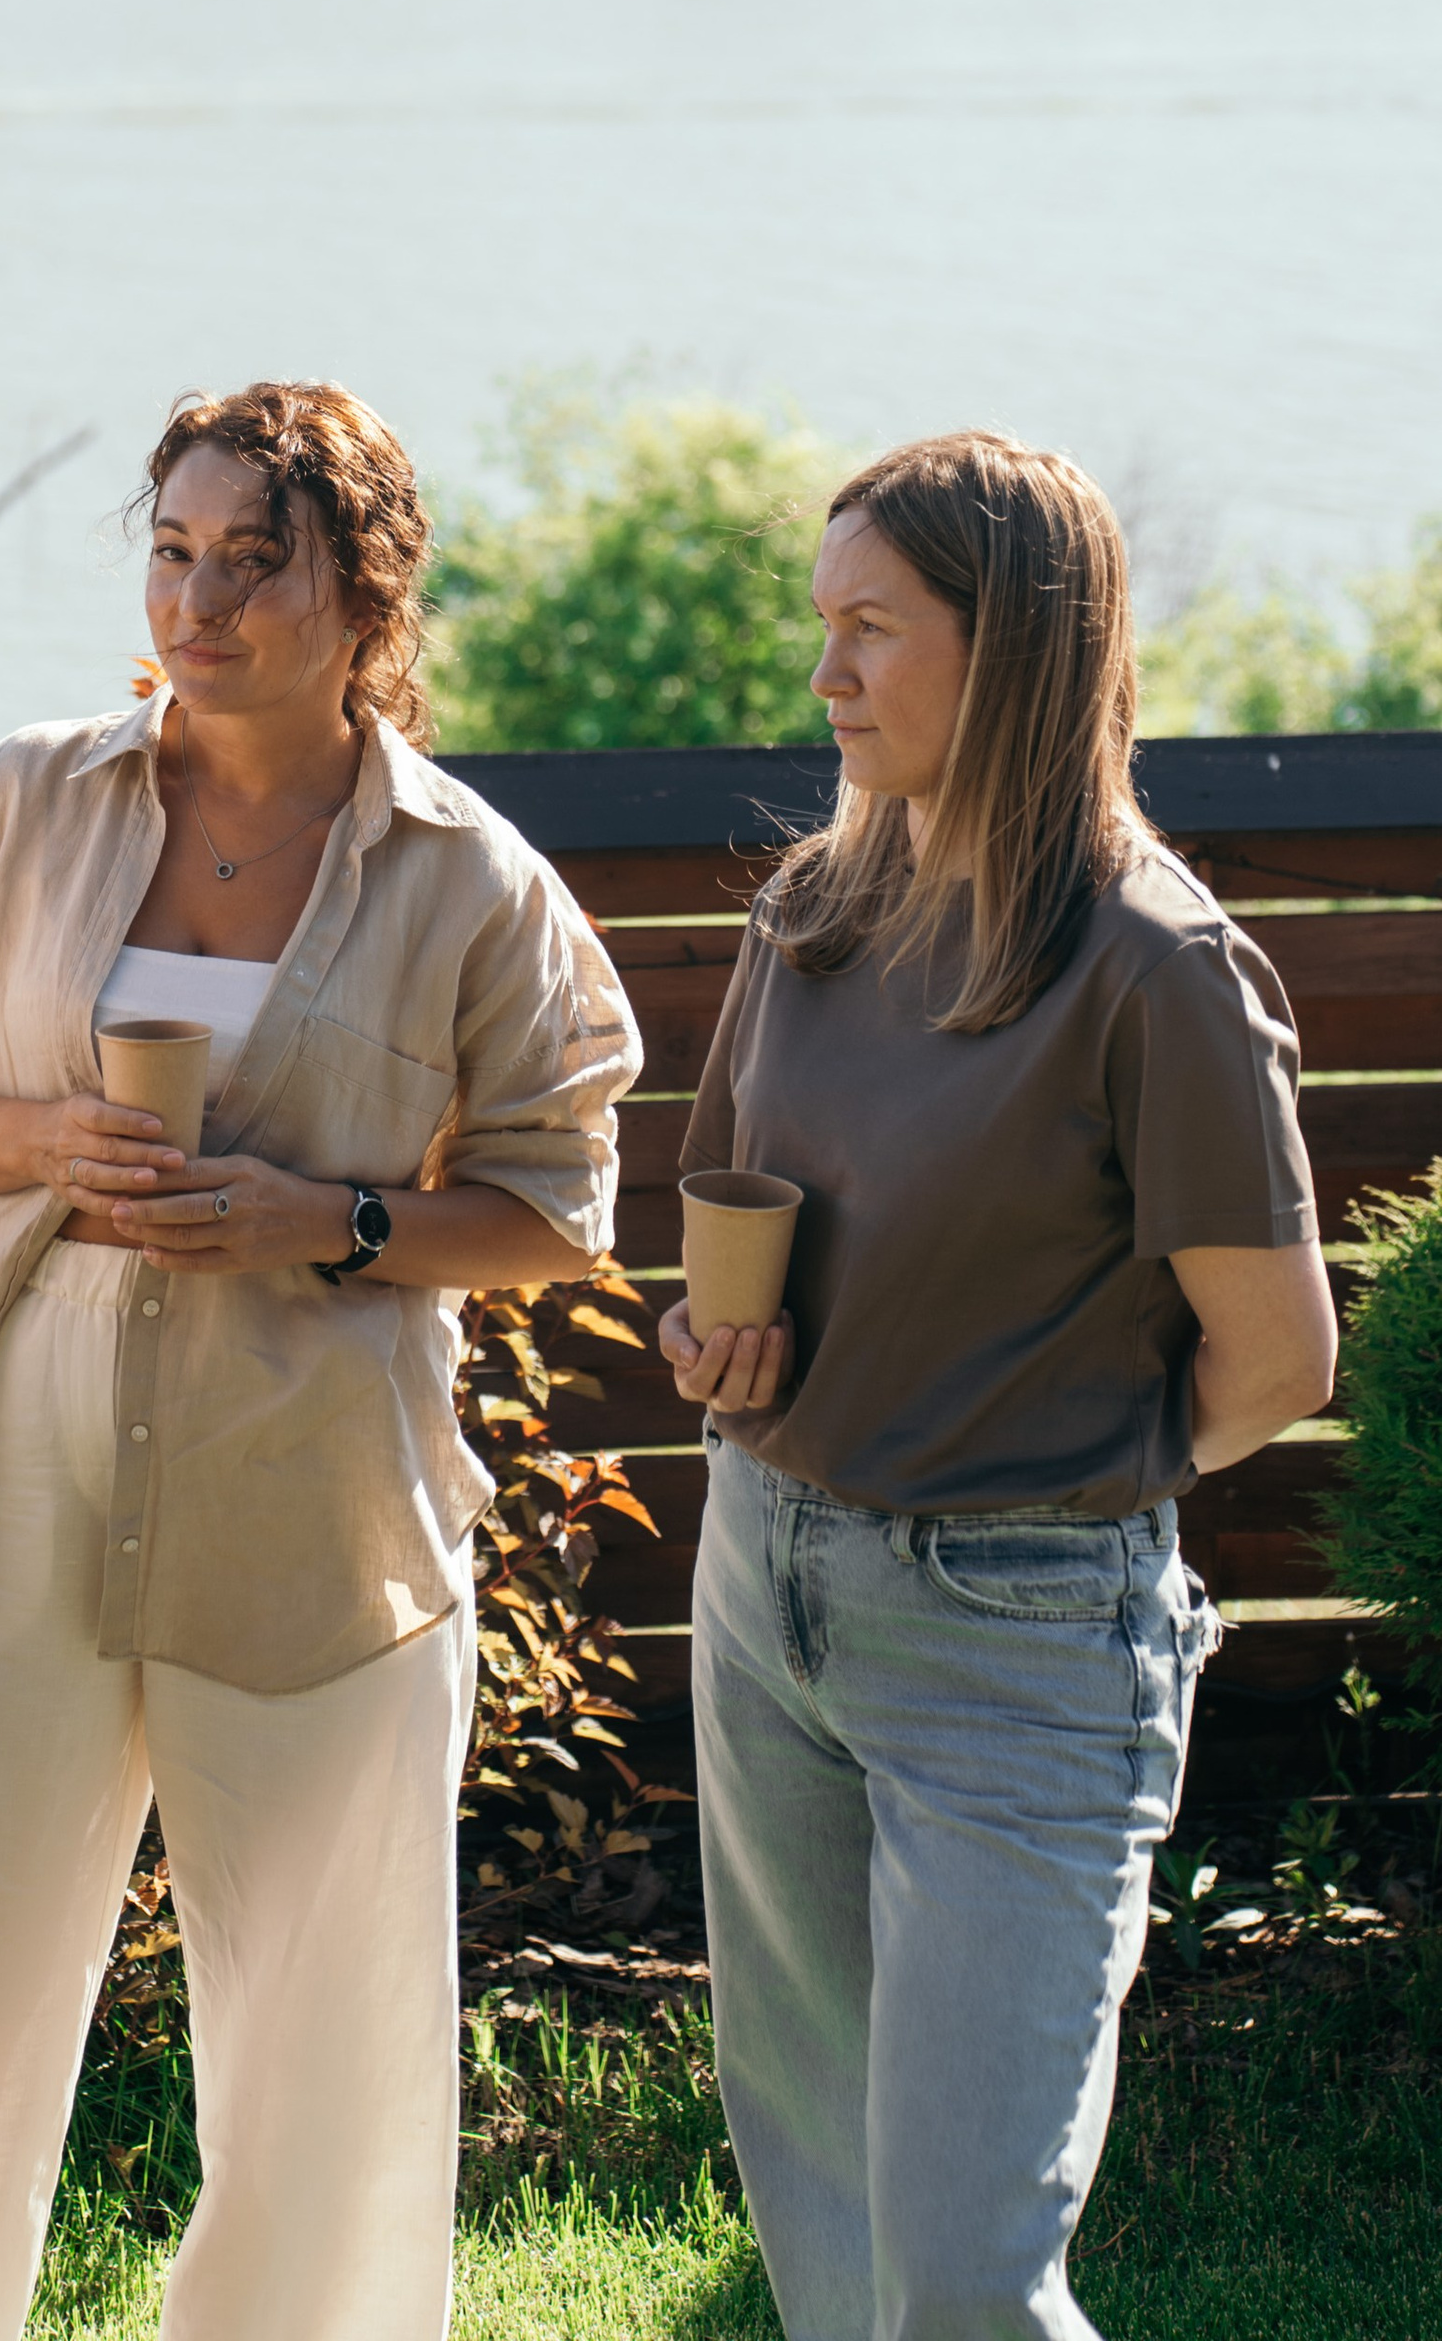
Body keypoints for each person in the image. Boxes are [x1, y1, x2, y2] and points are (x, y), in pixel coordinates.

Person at [0, 380, 640, 2341]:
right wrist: (40, 1143)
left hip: (318, 1512)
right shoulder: (21, 803)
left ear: (366, 598)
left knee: (328, 2055)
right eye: (172, 551)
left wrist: (321, 1220)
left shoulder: (467, 876)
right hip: (15, 1492)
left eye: (255, 560)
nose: (199, 601)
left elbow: (553, 1205)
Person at [664, 430, 1339, 2341]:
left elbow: (1281, 1361)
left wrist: (1048, 1480)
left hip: (1020, 1642)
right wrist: (717, 1351)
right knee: (828, 2230)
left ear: (1019, 642)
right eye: (825, 626)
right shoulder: (813, 912)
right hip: (766, 1578)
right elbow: (738, 1236)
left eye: (874, 629)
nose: (828, 676)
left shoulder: (1156, 970)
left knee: (963, 2277)